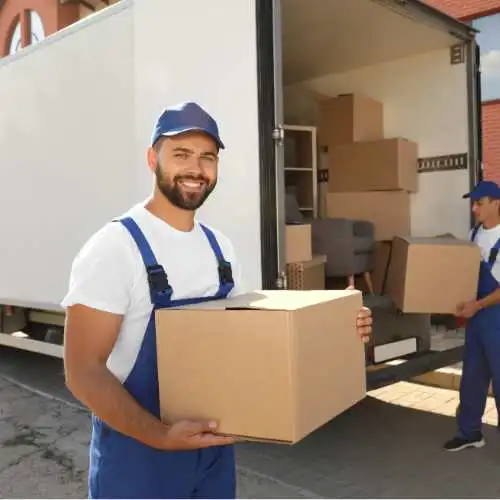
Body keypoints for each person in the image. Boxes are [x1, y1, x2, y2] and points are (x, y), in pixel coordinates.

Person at [62, 101, 373, 499]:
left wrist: (339, 328)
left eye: (207, 157)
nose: (196, 168)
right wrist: (160, 436)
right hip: (138, 459)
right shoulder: (115, 248)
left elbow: (253, 337)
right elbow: (82, 370)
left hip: (213, 456)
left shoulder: (219, 248)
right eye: (181, 154)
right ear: (151, 159)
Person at [444, 180, 500, 452]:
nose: (474, 208)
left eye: (479, 203)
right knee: (472, 378)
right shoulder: (475, 233)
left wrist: (477, 305)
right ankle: (469, 432)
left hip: (496, 318)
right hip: (477, 319)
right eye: (473, 203)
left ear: (496, 203)